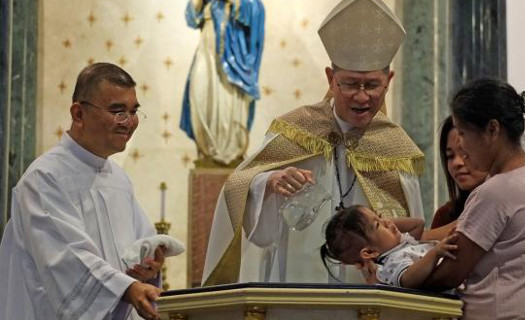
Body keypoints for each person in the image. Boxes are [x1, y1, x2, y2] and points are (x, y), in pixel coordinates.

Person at [202, 0, 424, 285]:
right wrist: (270, 182)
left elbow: (412, 235)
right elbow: (237, 185)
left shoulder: (394, 148)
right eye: (350, 84)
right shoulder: (297, 129)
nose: (361, 96)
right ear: (331, 79)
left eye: (371, 85)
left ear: (388, 80)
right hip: (297, 284)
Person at [0, 63, 165, 320]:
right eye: (117, 111)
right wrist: (128, 289)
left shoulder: (118, 179)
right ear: (78, 114)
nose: (129, 122)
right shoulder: (45, 178)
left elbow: (140, 246)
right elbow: (68, 260)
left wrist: (147, 267)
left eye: (134, 111)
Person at [422, 78, 525, 319]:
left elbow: (451, 272)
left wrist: (397, 276)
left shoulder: (499, 190)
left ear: (492, 129)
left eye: (462, 133)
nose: (462, 148)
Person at [431, 117, 525, 229]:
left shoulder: (517, 199)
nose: (457, 163)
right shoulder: (444, 215)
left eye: (465, 152)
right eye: (450, 156)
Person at [181, 0, 265, 167]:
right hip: (206, 52)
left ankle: (229, 152)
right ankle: (207, 149)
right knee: (198, 96)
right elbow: (191, 18)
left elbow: (256, 11)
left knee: (228, 102)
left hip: (233, 57)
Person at [321, 205, 456, 288]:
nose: (386, 221)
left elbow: (418, 224)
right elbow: (408, 279)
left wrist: (384, 224)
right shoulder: (390, 263)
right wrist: (434, 253)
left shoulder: (401, 244)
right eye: (378, 225)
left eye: (380, 216)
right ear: (369, 252)